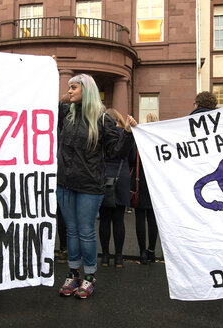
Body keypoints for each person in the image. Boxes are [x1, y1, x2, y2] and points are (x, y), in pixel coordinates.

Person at [56, 74, 136, 299]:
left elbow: (115, 152)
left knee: (85, 232)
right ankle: (73, 275)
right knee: (71, 231)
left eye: (74, 87)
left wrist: (128, 133)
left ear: (86, 90)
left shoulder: (103, 119)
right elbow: (41, 103)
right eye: (68, 87)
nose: (69, 91)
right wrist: (48, 71)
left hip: (90, 185)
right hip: (64, 183)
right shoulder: (65, 114)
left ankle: (89, 277)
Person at [98, 108, 135, 268]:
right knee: (119, 219)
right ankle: (119, 257)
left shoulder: (100, 134)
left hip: (103, 177)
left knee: (104, 219)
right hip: (121, 178)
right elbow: (132, 158)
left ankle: (105, 256)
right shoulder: (126, 134)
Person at [133, 113, 159, 264]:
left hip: (140, 181)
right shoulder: (159, 139)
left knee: (140, 218)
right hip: (155, 182)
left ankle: (142, 252)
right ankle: (152, 251)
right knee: (152, 219)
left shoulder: (139, 138)